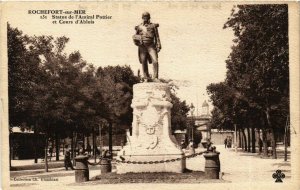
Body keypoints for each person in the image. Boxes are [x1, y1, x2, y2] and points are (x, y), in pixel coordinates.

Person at [133, 12, 161, 82]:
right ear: (142, 18)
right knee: (144, 61)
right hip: (142, 46)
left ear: (149, 18)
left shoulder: (153, 26)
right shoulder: (139, 27)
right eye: (144, 17)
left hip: (151, 46)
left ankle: (155, 77)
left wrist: (158, 44)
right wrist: (136, 41)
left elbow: (157, 36)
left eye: (147, 17)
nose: (145, 18)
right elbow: (135, 36)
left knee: (155, 61)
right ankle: (146, 77)